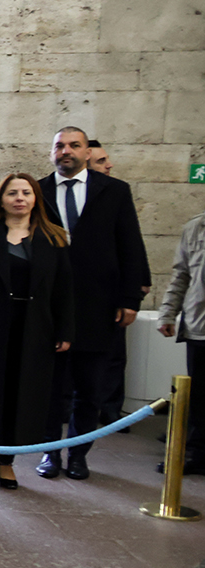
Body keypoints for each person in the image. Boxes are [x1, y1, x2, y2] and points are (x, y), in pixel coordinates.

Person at [36, 127, 149, 479]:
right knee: (51, 387)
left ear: (88, 152)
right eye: (59, 145)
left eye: (74, 145)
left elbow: (130, 245)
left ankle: (79, 454)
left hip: (98, 307)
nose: (66, 151)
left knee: (90, 386)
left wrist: (130, 299)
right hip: (50, 308)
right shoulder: (37, 190)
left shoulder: (114, 192)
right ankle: (50, 452)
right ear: (52, 152)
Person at [0, 174, 74, 489]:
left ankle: (8, 461)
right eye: (12, 193)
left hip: (35, 328)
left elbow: (64, 290)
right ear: (1, 199)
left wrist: (65, 330)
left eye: (26, 192)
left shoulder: (55, 239)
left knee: (23, 394)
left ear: (36, 199)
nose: (19, 198)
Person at [85, 139, 150, 423]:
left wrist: (135, 288)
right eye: (101, 161)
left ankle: (110, 411)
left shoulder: (116, 192)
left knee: (112, 356)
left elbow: (130, 243)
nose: (108, 165)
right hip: (72, 292)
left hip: (107, 293)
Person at [157, 208, 205, 475]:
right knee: (198, 396)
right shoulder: (195, 227)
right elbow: (181, 275)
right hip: (200, 325)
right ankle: (197, 453)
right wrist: (167, 313)